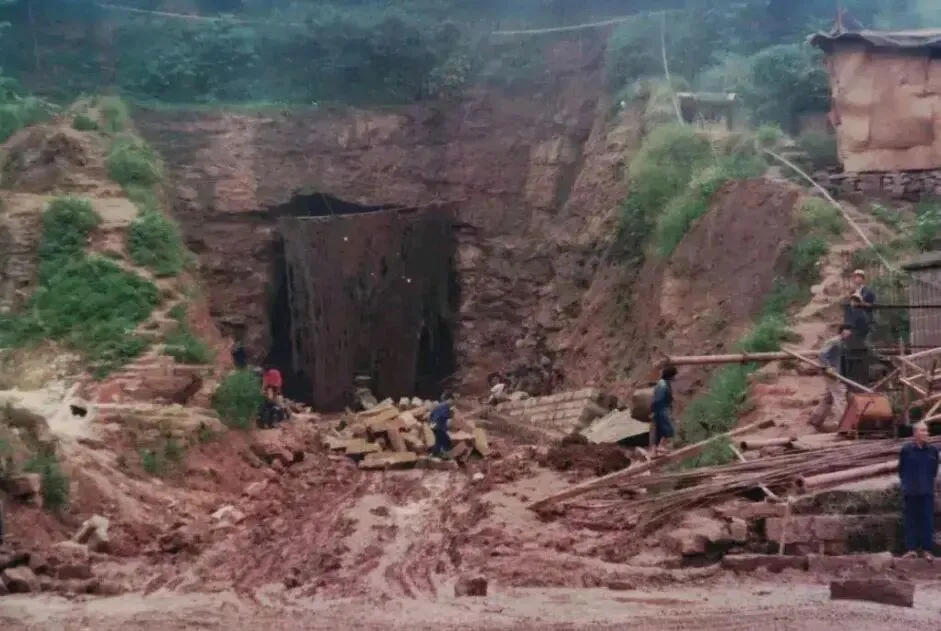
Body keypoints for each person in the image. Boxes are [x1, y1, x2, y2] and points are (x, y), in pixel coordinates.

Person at [898, 422, 939, 559]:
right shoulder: (907, 450)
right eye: (922, 430)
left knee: (927, 520)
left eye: (926, 430)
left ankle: (927, 550)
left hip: (927, 490)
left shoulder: (932, 450)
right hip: (911, 491)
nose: (925, 433)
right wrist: (906, 485)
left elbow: (934, 470)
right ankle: (912, 549)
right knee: (911, 520)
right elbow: (901, 470)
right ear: (915, 433)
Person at [817, 324, 854, 431]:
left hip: (838, 373)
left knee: (828, 397)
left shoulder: (843, 343)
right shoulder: (835, 341)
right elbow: (822, 354)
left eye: (850, 331)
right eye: (846, 330)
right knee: (840, 394)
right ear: (842, 331)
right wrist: (828, 367)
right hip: (832, 373)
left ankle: (815, 419)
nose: (848, 333)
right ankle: (843, 424)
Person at [650, 365, 677, 456]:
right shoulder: (663, 385)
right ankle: (661, 447)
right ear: (670, 375)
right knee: (668, 430)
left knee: (658, 431)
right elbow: (658, 399)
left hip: (658, 409)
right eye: (674, 375)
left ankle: (654, 451)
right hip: (661, 409)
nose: (675, 377)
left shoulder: (662, 383)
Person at [429, 392, 453, 458]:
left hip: (434, 426)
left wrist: (432, 422)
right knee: (446, 441)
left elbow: (431, 415)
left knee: (438, 441)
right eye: (452, 401)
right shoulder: (445, 406)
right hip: (439, 426)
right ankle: (447, 456)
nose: (452, 403)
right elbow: (445, 417)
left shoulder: (438, 405)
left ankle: (434, 454)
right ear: (449, 399)